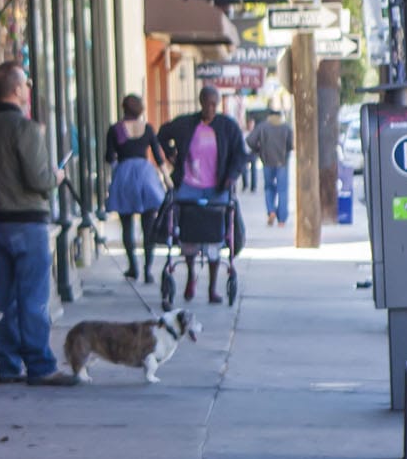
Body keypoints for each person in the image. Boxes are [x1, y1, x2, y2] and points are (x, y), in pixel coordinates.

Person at [0, 60, 59, 384]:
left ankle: (7, 363)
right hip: (30, 224)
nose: (28, 90)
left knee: (3, 298)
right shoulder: (26, 129)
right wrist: (56, 177)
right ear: (18, 90)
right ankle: (39, 365)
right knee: (33, 297)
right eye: (26, 85)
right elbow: (39, 180)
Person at [159, 84, 249, 302]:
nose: (210, 108)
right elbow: (162, 133)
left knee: (214, 238)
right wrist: (171, 154)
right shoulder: (186, 124)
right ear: (200, 102)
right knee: (189, 234)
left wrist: (231, 176)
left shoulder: (227, 126)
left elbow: (240, 154)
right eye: (206, 103)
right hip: (189, 185)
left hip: (216, 187)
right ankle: (190, 278)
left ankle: (212, 288)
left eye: (213, 104)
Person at [104, 92, 168, 281]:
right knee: (148, 225)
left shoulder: (115, 129)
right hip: (145, 176)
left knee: (126, 225)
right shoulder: (147, 128)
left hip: (124, 175)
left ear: (123, 108)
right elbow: (158, 156)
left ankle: (133, 267)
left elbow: (109, 156)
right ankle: (148, 270)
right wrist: (167, 180)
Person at [254, 104, 294, 227]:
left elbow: (251, 141)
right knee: (282, 190)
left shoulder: (263, 127)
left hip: (267, 162)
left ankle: (271, 210)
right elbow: (292, 145)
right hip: (282, 162)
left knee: (268, 188)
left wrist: (260, 152)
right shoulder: (286, 127)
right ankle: (281, 220)